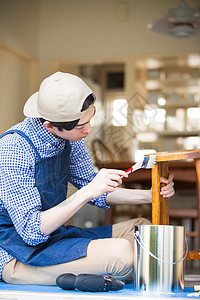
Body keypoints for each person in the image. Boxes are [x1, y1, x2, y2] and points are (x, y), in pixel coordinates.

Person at [0, 72, 174, 285]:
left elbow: (95, 190)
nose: (89, 130)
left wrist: (150, 195)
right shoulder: (14, 148)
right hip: (18, 249)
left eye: (90, 119)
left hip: (55, 237)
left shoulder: (68, 137)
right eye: (81, 126)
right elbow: (31, 232)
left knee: (143, 231)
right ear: (50, 126)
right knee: (122, 254)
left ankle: (98, 274)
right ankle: (23, 274)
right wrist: (87, 191)